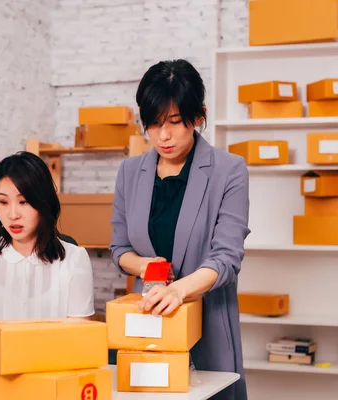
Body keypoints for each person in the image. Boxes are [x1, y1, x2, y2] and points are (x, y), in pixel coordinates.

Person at [110, 59, 250, 400]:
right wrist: (144, 266)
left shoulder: (229, 171)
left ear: (198, 116)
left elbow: (226, 258)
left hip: (208, 323)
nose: (163, 135)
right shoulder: (130, 172)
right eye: (154, 124)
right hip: (145, 320)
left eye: (174, 122)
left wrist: (178, 290)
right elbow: (119, 249)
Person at [0, 151, 95, 320]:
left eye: (24, 202)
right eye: (4, 202)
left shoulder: (74, 259)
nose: (13, 214)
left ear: (43, 202)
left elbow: (79, 338)